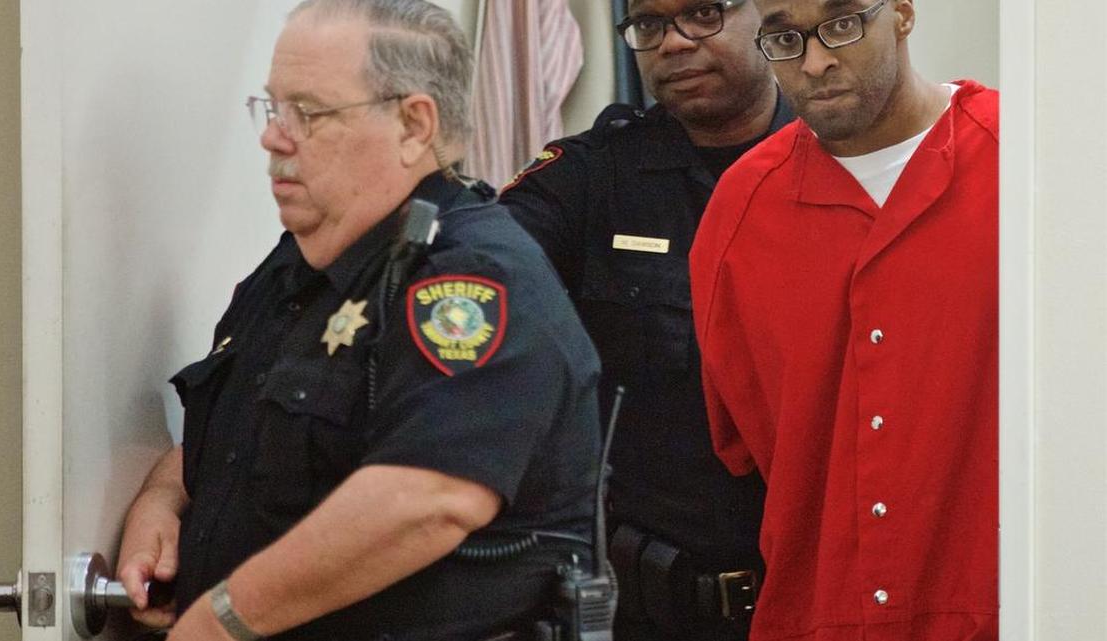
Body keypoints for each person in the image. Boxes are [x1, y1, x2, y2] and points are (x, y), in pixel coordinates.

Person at [114, 1, 604, 639]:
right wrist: (162, 501)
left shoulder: (471, 278)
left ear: (412, 125)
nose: (272, 137)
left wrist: (221, 618)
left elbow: (428, 499)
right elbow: (251, 433)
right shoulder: (297, 268)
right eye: (272, 108)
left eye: (308, 113)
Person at [690, 0, 998, 639]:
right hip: (822, 615)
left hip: (1009, 608)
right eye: (783, 37)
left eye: (843, 23)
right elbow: (742, 442)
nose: (816, 60)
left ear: (904, 12)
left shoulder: (1024, 160)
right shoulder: (741, 209)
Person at [499, 1, 793, 639]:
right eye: (650, 25)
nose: (674, 43)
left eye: (703, 14)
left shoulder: (837, 161)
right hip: (646, 609)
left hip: (815, 600)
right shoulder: (593, 176)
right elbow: (480, 265)